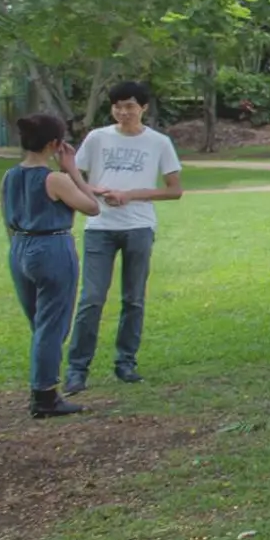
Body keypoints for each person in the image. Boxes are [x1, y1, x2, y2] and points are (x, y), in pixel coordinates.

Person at [65, 81, 184, 395]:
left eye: (130, 106)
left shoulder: (159, 143)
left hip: (139, 227)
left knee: (133, 299)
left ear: (143, 108)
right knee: (91, 300)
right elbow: (75, 179)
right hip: (100, 228)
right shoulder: (97, 138)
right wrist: (99, 191)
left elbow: (174, 190)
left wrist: (131, 195)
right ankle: (77, 369)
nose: (123, 112)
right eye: (117, 106)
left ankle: (125, 362)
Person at [3, 114, 104, 417]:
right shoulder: (54, 179)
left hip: (20, 246)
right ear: (54, 144)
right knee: (52, 326)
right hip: (52, 245)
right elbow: (92, 207)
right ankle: (45, 396)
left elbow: (6, 216)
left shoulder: (10, 176)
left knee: (40, 323)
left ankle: (43, 389)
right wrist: (72, 170)